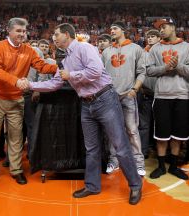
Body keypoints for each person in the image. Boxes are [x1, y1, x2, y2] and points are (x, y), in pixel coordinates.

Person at [25, 23, 142, 205]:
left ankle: (135, 185)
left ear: (66, 34)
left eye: (56, 34)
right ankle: (92, 186)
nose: (53, 38)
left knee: (120, 145)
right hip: (87, 104)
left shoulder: (84, 47)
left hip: (105, 99)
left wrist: (71, 75)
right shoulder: (64, 60)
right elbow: (55, 83)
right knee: (92, 148)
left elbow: (95, 72)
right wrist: (30, 85)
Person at [0, 17, 57, 185]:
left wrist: (59, 68)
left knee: (16, 136)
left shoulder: (29, 50)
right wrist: (16, 81)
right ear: (9, 31)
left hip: (16, 99)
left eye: (24, 31)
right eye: (18, 31)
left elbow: (42, 66)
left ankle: (16, 170)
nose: (22, 34)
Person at [102, 21, 146, 176]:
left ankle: (139, 163)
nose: (111, 30)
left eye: (115, 28)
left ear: (123, 30)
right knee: (111, 131)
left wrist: (135, 89)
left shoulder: (135, 48)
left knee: (132, 130)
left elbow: (142, 72)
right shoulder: (106, 51)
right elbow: (101, 74)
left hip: (128, 94)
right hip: (110, 97)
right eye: (111, 28)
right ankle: (113, 161)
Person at [147, 18, 189, 180]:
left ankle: (173, 166)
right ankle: (161, 167)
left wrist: (178, 66)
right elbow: (149, 71)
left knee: (178, 136)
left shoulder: (186, 47)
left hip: (182, 96)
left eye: (164, 27)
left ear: (173, 27)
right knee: (161, 135)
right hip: (162, 96)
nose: (161, 30)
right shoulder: (155, 49)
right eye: (159, 28)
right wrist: (165, 68)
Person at [137, 29, 160, 158]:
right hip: (145, 93)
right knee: (144, 125)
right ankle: (143, 151)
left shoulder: (162, 52)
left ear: (158, 38)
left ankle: (158, 150)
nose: (150, 39)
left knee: (159, 124)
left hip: (160, 94)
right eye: (148, 37)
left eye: (153, 36)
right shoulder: (142, 53)